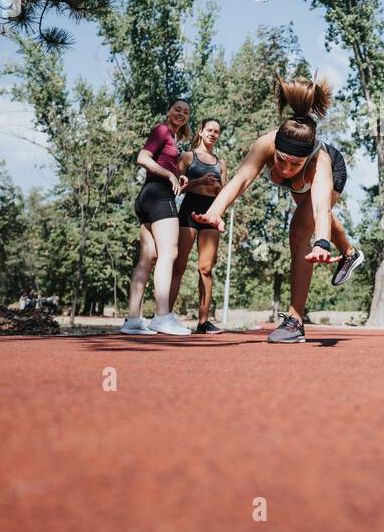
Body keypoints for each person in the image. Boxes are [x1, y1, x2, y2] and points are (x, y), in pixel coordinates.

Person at [192, 75, 363, 344]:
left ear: (306, 159)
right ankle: (350, 253)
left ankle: (295, 321)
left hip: (333, 172)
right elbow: (241, 179)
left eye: (295, 164)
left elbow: (320, 208)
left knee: (299, 229)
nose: (284, 169)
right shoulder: (265, 144)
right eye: (281, 161)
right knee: (306, 216)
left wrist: (320, 243)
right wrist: (215, 211)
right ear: (275, 149)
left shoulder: (321, 162)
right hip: (300, 181)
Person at [121, 99, 192, 335]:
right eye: (177, 109)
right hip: (158, 195)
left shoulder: (171, 138)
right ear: (168, 111)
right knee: (169, 253)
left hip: (148, 197)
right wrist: (169, 176)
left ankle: (133, 320)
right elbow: (142, 158)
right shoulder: (161, 130)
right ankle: (162, 317)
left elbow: (163, 164)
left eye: (186, 112)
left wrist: (177, 176)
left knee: (148, 258)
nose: (181, 114)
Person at [171, 117, 228, 333]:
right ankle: (164, 316)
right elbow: (175, 188)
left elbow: (224, 192)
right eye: (210, 130)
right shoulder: (187, 157)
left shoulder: (220, 163)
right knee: (179, 265)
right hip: (189, 209)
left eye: (217, 131)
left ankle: (203, 322)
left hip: (211, 211)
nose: (213, 134)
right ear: (201, 132)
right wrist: (199, 181)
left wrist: (219, 201)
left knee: (206, 269)